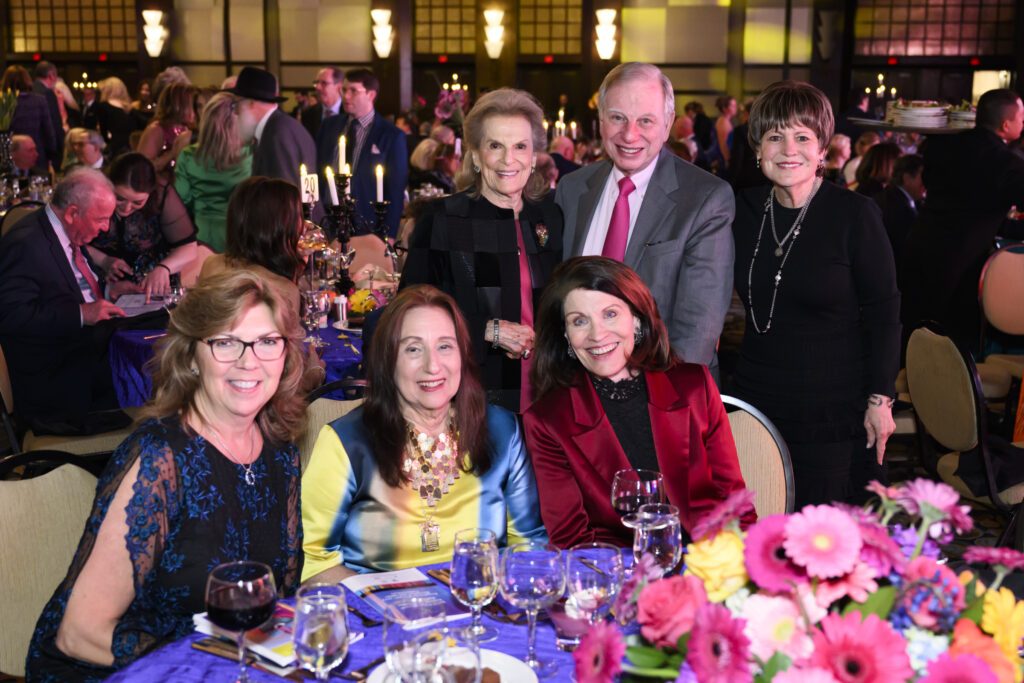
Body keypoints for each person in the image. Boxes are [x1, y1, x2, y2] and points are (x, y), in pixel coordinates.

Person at [25, 269, 306, 681]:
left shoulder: (280, 456)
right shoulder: (161, 457)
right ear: (192, 356)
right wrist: (207, 670)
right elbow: (78, 634)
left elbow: (276, 602)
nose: (250, 362)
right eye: (226, 342)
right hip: (125, 670)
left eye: (267, 342)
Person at [302, 284, 547, 579]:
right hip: (378, 616)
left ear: (463, 356)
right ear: (387, 361)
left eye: (445, 346)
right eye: (413, 349)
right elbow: (315, 562)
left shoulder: (502, 432)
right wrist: (389, 612)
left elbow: (528, 545)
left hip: (479, 611)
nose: (433, 366)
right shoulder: (347, 442)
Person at [732, 81, 900, 509]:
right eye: (774, 136)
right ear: (758, 149)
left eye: (802, 137)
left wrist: (881, 400)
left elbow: (884, 314)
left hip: (833, 408)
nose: (789, 149)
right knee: (758, 527)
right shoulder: (740, 211)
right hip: (758, 396)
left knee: (824, 539)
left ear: (823, 149)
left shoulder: (855, 215)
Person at [524, 257, 753, 548]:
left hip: (704, 566)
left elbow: (735, 505)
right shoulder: (547, 421)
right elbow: (571, 541)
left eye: (610, 314)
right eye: (579, 321)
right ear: (566, 335)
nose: (597, 335)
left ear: (636, 318)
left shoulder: (695, 386)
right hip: (615, 577)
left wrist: (741, 572)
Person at [556, 62, 735, 383]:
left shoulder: (705, 199)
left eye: (646, 121)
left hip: (665, 393)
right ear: (600, 121)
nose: (630, 134)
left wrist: (646, 406)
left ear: (668, 125)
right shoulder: (572, 189)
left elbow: (698, 329)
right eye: (618, 118)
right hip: (576, 391)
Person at [401, 88, 564, 413]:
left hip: (546, 395)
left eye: (520, 147)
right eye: (495, 146)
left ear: (534, 157)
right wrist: (487, 329)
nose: (508, 159)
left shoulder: (549, 217)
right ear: (475, 155)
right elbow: (407, 314)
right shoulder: (444, 220)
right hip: (472, 397)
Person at [901, 88, 1024, 356]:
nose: (1023, 123)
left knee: (911, 335)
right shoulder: (1005, 163)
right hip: (959, 264)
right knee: (950, 348)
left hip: (917, 247)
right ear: (1006, 124)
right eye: (1021, 118)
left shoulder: (943, 147)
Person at [0, 168, 126, 424]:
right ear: (72, 213)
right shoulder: (26, 243)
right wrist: (81, 314)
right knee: (148, 380)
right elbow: (11, 316)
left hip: (79, 353)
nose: (105, 227)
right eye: (101, 219)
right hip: (56, 381)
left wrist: (112, 292)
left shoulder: (62, 233)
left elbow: (71, 287)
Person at [85, 153, 197, 300]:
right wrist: (103, 260)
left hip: (151, 288)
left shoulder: (161, 194)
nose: (126, 208)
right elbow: (69, 242)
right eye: (120, 198)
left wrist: (164, 268)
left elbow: (189, 247)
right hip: (99, 285)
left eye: (137, 203)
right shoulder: (92, 191)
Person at [315, 68, 407, 236]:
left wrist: (389, 235)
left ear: (371, 95)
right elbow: (319, 170)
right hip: (329, 221)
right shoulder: (330, 126)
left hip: (366, 226)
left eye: (353, 91)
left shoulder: (391, 136)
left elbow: (395, 190)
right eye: (344, 90)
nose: (346, 96)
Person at [199, 176, 305, 312]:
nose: (302, 225)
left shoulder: (211, 264)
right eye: (297, 217)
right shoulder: (284, 289)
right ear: (277, 228)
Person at [174, 92, 253, 252]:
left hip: (201, 236)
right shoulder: (250, 155)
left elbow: (182, 200)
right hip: (240, 236)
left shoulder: (188, 156)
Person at [227, 67, 317, 206]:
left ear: (251, 103)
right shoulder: (278, 127)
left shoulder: (278, 134)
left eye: (236, 104)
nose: (236, 112)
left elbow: (285, 199)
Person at [874, 153, 924, 279]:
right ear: (907, 178)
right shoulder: (897, 209)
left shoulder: (898, 199)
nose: (926, 183)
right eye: (922, 177)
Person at [2, 65, 58, 172]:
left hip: (13, 155)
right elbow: (48, 131)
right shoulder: (39, 100)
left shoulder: (4, 102)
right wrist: (51, 155)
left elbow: (3, 135)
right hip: (36, 153)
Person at [137, 82, 195, 175]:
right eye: (193, 104)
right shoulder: (156, 129)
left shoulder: (190, 129)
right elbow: (143, 168)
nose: (195, 109)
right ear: (179, 105)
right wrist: (173, 152)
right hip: (162, 186)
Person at [93, 77, 140, 158]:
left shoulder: (104, 106)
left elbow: (103, 129)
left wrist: (107, 142)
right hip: (132, 146)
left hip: (116, 147)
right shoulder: (129, 107)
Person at [32, 61, 65, 166]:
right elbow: (54, 121)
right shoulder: (47, 93)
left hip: (33, 145)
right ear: (52, 75)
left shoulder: (30, 90)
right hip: (46, 147)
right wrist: (61, 146)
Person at [302, 66, 344, 142]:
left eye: (324, 83)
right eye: (316, 83)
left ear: (339, 86)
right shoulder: (308, 113)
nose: (318, 87)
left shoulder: (350, 113)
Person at [707, 94, 737, 176]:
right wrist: (727, 160)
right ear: (724, 108)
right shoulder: (723, 122)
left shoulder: (725, 120)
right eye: (733, 105)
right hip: (721, 160)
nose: (735, 107)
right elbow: (723, 144)